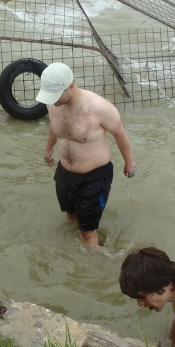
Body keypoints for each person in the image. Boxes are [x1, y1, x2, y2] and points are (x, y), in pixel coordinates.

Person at [36, 62, 136, 248]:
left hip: (94, 176)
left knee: (87, 232)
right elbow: (55, 127)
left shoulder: (98, 107)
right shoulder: (53, 103)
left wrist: (129, 162)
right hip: (65, 173)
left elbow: (119, 133)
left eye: (56, 95)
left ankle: (91, 269)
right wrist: (48, 149)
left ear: (71, 85)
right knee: (71, 215)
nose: (53, 100)